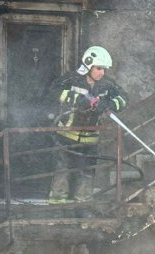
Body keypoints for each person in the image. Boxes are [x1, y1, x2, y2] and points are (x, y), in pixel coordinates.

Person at [48, 45, 128, 204]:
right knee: (62, 171)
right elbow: (53, 91)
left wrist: (108, 104)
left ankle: (83, 206)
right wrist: (76, 99)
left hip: (90, 139)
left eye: (104, 69)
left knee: (87, 174)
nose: (102, 72)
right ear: (88, 65)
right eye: (99, 68)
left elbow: (124, 98)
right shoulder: (72, 79)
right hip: (66, 136)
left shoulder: (107, 84)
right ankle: (57, 205)